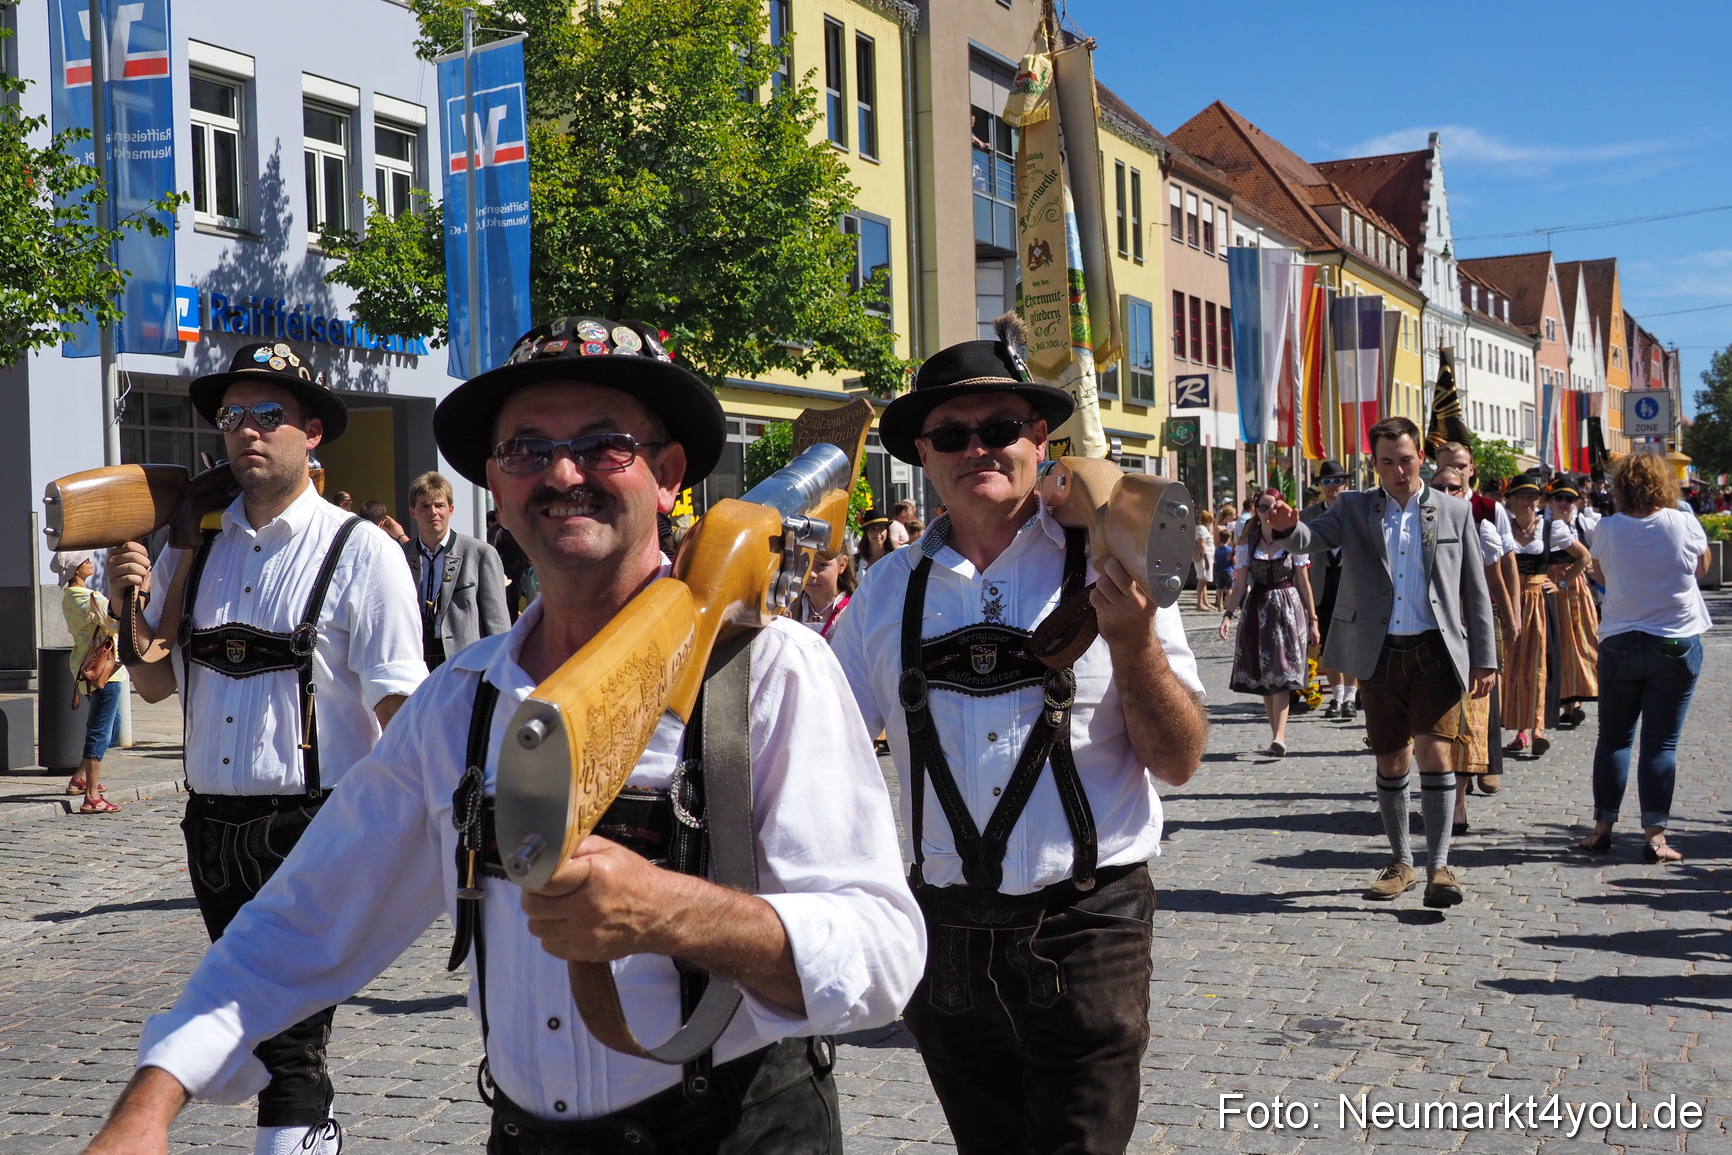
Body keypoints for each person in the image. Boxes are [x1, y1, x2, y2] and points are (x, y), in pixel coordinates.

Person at [83, 317, 921, 1155]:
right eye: (526, 449)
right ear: (494, 480)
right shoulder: (461, 699)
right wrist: (152, 1100)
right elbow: (300, 916)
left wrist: (675, 912)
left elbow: (882, 954)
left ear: (668, 477)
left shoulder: (771, 670)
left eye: (603, 445)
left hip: (741, 1129)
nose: (562, 472)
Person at [832, 318, 1208, 1155]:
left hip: (1088, 926)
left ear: (1040, 439)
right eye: (952, 435)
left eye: (1001, 428)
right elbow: (822, 753)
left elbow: (1180, 758)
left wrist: (1137, 643)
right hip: (946, 940)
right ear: (922, 456)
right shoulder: (885, 593)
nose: (980, 449)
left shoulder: (1114, 556)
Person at [100, 343, 426, 1155]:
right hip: (210, 833)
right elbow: (151, 687)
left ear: (312, 433)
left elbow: (407, 713)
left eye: (269, 415)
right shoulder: (194, 547)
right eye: (233, 416)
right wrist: (124, 600)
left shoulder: (364, 553)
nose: (247, 431)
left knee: (285, 1033)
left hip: (314, 830)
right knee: (258, 1019)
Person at [1263, 417, 1495, 910]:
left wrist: (1486, 658)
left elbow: (1476, 588)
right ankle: (1401, 862)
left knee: (1435, 753)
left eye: (1406, 460)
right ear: (1375, 463)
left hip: (1435, 650)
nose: (1398, 470)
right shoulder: (1353, 506)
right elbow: (1310, 538)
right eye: (1387, 462)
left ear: (1421, 459)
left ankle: (1439, 867)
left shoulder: (1453, 511)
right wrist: (1286, 526)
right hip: (1378, 653)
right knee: (1391, 759)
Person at [1577, 452, 1712, 864]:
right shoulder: (1683, 522)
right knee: (1661, 744)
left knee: (1614, 739)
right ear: (1663, 484)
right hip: (1674, 641)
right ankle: (1655, 837)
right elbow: (1701, 568)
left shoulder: (1607, 527)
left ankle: (1602, 829)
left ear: (1622, 487)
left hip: (1620, 639)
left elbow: (1598, 573)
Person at [1433, 442, 1519, 796]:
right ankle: (1452, 769)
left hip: (1483, 608)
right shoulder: (1424, 508)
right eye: (1448, 468)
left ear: (1470, 470)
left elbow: (1505, 564)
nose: (1455, 478)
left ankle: (1487, 763)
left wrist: (1512, 610)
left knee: (1485, 689)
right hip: (1442, 613)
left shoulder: (1488, 510)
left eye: (1462, 467)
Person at [1218, 490, 1317, 759]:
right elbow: (1239, 585)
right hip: (1258, 608)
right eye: (1263, 508)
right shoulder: (1248, 543)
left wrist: (1313, 619)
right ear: (1256, 509)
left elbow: (1303, 582)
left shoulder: (1293, 539)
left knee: (1282, 673)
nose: (1268, 512)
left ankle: (1279, 736)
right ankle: (1276, 735)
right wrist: (1227, 615)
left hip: (1287, 607)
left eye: (1273, 507)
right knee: (1266, 675)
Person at [1502, 474, 1588, 758]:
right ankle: (1520, 729)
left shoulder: (1551, 528)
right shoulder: (1501, 528)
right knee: (1512, 665)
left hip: (1539, 601)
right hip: (1511, 601)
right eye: (1521, 497)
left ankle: (1537, 727)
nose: (1527, 502)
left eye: (1531, 497)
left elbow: (1583, 557)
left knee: (1538, 664)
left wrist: (1561, 584)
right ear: (1511, 501)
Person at [404, 470, 511, 669]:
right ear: (413, 512)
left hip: (465, 661)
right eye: (425, 506)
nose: (433, 512)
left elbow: (498, 624)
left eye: (439, 506)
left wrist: (499, 668)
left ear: (451, 509)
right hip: (415, 659)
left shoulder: (479, 554)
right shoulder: (400, 556)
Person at [54, 550, 128, 814]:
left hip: (84, 666)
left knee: (112, 725)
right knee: (100, 730)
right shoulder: (92, 597)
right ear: (76, 570)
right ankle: (92, 797)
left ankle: (80, 778)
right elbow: (116, 625)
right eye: (84, 561)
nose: (89, 563)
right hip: (105, 670)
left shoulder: (68, 598)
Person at [1303, 459, 1360, 720]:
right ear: (1320, 486)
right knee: (1329, 643)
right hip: (1322, 585)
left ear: (1345, 483)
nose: (1332, 486)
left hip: (1351, 584)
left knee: (1351, 642)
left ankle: (1351, 695)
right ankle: (1337, 695)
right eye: (1327, 481)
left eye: (1337, 481)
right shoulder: (1309, 515)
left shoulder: (1356, 512)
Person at [1544, 478, 1599, 727]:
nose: (1564, 503)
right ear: (1550, 500)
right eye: (1559, 498)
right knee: (1557, 642)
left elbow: (1590, 554)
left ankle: (1572, 702)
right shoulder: (1546, 524)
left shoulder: (1578, 523)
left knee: (1577, 641)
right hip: (1550, 584)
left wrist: (1584, 571)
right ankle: (1565, 702)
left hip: (1572, 586)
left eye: (1570, 499)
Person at [791, 548, 855, 640]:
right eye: (805, 564)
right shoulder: (788, 609)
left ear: (841, 565)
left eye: (821, 565)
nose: (811, 574)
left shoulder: (853, 611)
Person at [855, 508, 897, 573]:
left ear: (887, 531)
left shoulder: (895, 559)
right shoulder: (856, 561)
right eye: (873, 529)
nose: (877, 534)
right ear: (866, 533)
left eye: (881, 528)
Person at [1192, 508, 1217, 610]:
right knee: (1202, 580)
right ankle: (1199, 603)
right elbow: (1202, 546)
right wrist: (1206, 560)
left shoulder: (1201, 528)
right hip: (1204, 558)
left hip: (1206, 557)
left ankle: (1205, 602)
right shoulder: (1202, 529)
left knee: (1204, 580)